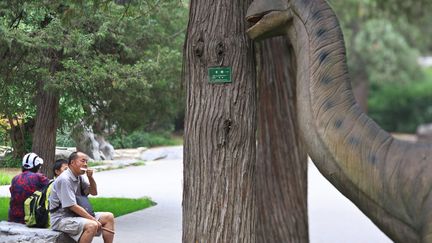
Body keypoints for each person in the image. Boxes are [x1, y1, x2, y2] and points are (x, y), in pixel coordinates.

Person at [49, 151, 114, 243]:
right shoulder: (64, 179)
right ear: (72, 163)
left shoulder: (79, 177)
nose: (85, 164)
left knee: (109, 217)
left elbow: (94, 192)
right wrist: (92, 219)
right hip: (61, 219)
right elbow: (71, 205)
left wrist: (90, 177)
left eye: (86, 162)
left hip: (75, 216)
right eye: (82, 161)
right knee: (92, 225)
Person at [8, 152, 49, 224]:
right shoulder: (39, 178)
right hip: (30, 218)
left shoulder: (15, 178)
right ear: (37, 166)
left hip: (13, 217)